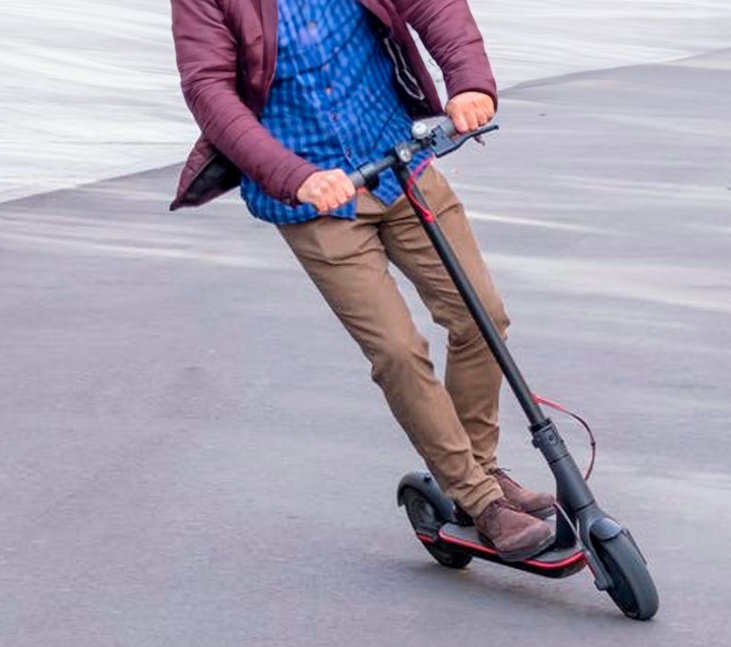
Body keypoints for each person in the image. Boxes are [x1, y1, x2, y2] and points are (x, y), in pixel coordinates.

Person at [168, 0, 556, 560]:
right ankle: (478, 498)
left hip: (401, 162)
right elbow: (210, 92)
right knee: (398, 350)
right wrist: (296, 178)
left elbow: (436, 8)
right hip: (315, 200)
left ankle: (483, 470)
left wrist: (469, 83)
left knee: (482, 315)